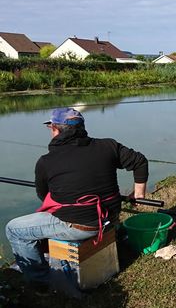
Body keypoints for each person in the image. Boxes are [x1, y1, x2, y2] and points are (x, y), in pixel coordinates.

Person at [5, 107, 148, 290]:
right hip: (109, 217)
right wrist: (138, 193)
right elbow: (140, 162)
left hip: (81, 227)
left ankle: (39, 284)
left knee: (14, 229)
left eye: (50, 128)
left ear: (55, 129)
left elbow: (44, 196)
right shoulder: (108, 145)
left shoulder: (46, 161)